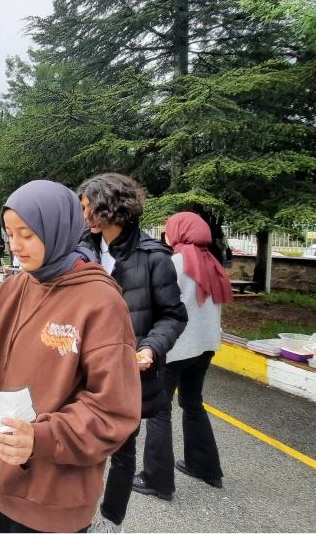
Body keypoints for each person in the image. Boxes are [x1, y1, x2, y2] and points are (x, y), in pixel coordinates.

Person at [0, 180, 141, 533]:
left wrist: (41, 438)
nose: (14, 245)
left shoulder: (99, 302)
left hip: (52, 492)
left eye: (26, 233)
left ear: (57, 229)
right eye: (10, 234)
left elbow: (113, 408)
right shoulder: (16, 285)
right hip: (5, 473)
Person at [77, 173, 188, 533]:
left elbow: (173, 315)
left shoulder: (153, 256)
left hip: (130, 373)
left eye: (85, 206)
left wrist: (150, 348)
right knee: (80, 444)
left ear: (106, 208)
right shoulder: (83, 250)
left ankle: (111, 521)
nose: (82, 215)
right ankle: (78, 516)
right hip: (83, 368)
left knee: (122, 452)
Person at [134, 212, 231, 499]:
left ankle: (157, 480)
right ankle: (206, 467)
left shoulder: (173, 263)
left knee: (159, 410)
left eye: (168, 230)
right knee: (192, 403)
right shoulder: (213, 262)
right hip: (205, 346)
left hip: (174, 349)